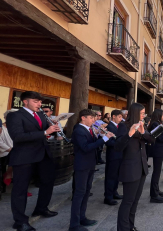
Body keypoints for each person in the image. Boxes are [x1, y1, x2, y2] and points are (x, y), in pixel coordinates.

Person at [6, 91, 60, 231]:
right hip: (24, 156)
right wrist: (44, 132)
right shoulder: (15, 115)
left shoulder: (41, 114)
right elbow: (17, 137)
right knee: (20, 189)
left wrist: (53, 129)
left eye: (40, 102)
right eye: (36, 101)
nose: (39, 104)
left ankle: (41, 208)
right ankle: (20, 221)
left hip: (42, 154)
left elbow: (43, 132)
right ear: (25, 101)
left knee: (48, 182)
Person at [69, 109, 113, 231]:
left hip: (89, 164)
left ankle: (82, 217)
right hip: (82, 165)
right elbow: (85, 147)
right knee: (79, 193)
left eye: (94, 118)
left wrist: (100, 134)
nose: (93, 120)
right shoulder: (78, 130)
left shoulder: (88, 129)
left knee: (86, 192)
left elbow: (93, 143)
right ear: (83, 118)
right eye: (91, 118)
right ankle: (74, 224)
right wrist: (104, 139)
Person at [114, 103, 155, 231]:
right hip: (130, 169)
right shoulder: (123, 126)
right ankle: (123, 228)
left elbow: (152, 140)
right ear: (136, 113)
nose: (143, 115)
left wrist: (143, 132)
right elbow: (118, 147)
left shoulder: (142, 125)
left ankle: (130, 226)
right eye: (142, 113)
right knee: (128, 201)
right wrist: (130, 133)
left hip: (142, 167)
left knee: (135, 201)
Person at [103, 110, 124, 206]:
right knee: (111, 176)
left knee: (116, 176)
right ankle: (108, 196)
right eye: (119, 117)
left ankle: (114, 192)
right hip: (113, 155)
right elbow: (108, 142)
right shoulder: (109, 127)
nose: (121, 119)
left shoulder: (118, 126)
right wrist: (120, 143)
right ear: (114, 116)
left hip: (119, 154)